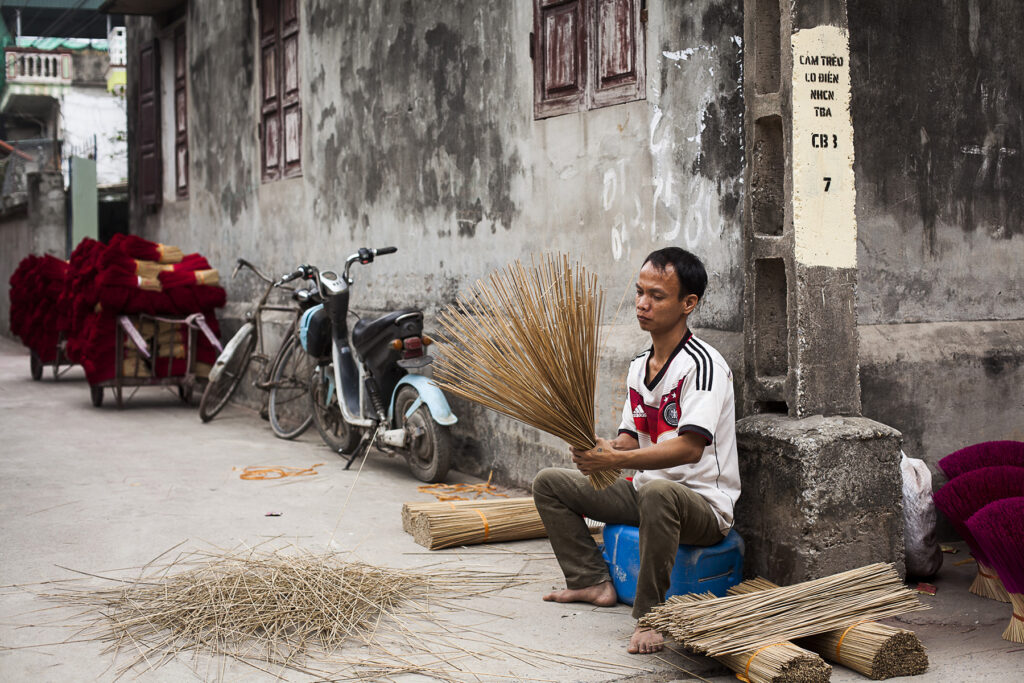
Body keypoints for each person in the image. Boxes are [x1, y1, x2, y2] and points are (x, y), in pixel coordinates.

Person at [532, 247, 741, 654]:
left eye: (657, 296)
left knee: (658, 492)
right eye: (640, 292)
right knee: (550, 484)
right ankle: (591, 581)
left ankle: (651, 617)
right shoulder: (638, 364)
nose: (643, 304)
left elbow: (689, 449)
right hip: (645, 492)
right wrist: (601, 448)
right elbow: (631, 437)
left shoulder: (703, 365)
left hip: (701, 505)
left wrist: (615, 460)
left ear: (688, 304)